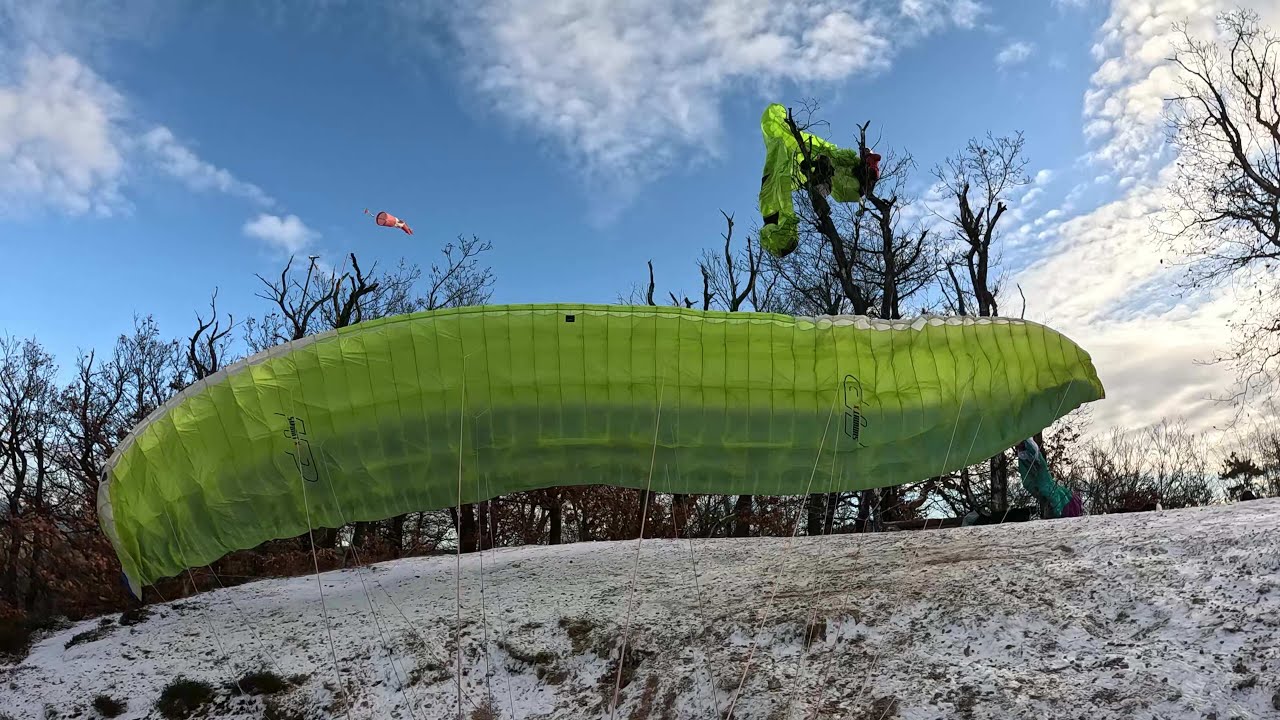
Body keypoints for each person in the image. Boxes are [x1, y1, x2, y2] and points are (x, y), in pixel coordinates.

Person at [1016, 437, 1083, 519]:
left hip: (1061, 501)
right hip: (1054, 496)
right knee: (1041, 488)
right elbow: (1027, 479)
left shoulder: (1047, 488)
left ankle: (1055, 511)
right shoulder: (1041, 486)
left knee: (1046, 489)